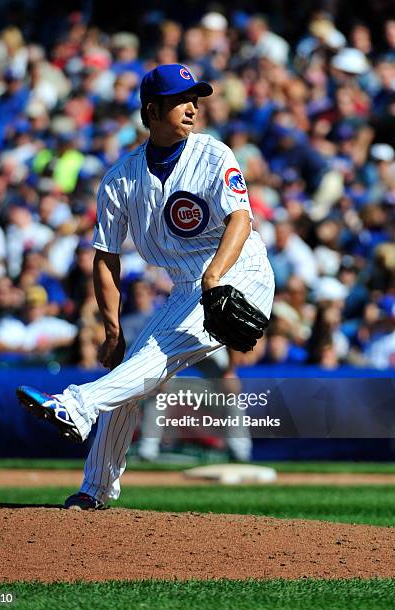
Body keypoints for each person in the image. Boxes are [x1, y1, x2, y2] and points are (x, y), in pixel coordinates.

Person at [16, 64, 275, 510]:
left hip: (238, 271)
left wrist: (215, 279)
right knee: (129, 377)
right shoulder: (121, 179)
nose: (193, 107)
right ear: (152, 110)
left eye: (196, 98)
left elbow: (241, 219)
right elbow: (105, 256)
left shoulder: (215, 155)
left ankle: (78, 404)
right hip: (186, 288)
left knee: (153, 357)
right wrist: (113, 331)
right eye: (181, 100)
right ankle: (94, 490)